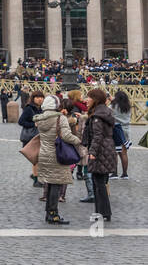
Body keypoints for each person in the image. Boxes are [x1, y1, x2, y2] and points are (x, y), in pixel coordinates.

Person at [33, 95, 83, 225]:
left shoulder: (41, 118)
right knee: (56, 184)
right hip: (57, 154)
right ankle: (53, 214)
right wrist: (78, 140)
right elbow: (66, 135)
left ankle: (48, 213)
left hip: (44, 154)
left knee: (49, 183)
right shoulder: (59, 118)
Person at [80, 87, 116, 222]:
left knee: (98, 182)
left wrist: (92, 152)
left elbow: (97, 136)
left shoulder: (97, 117)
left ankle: (101, 212)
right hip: (107, 149)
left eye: (88, 97)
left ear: (95, 99)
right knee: (100, 182)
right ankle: (104, 212)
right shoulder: (105, 112)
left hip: (100, 151)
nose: (86, 100)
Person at [18, 90, 45, 187]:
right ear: (33, 99)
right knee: (36, 158)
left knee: (39, 158)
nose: (40, 99)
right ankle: (36, 179)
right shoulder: (29, 109)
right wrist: (33, 124)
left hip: (40, 136)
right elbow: (21, 121)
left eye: (41, 97)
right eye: (37, 97)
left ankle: (36, 175)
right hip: (32, 137)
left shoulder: (42, 108)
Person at [112, 90, 132, 178]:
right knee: (124, 153)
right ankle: (125, 174)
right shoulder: (128, 107)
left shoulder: (113, 106)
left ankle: (114, 173)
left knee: (115, 152)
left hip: (116, 129)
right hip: (126, 129)